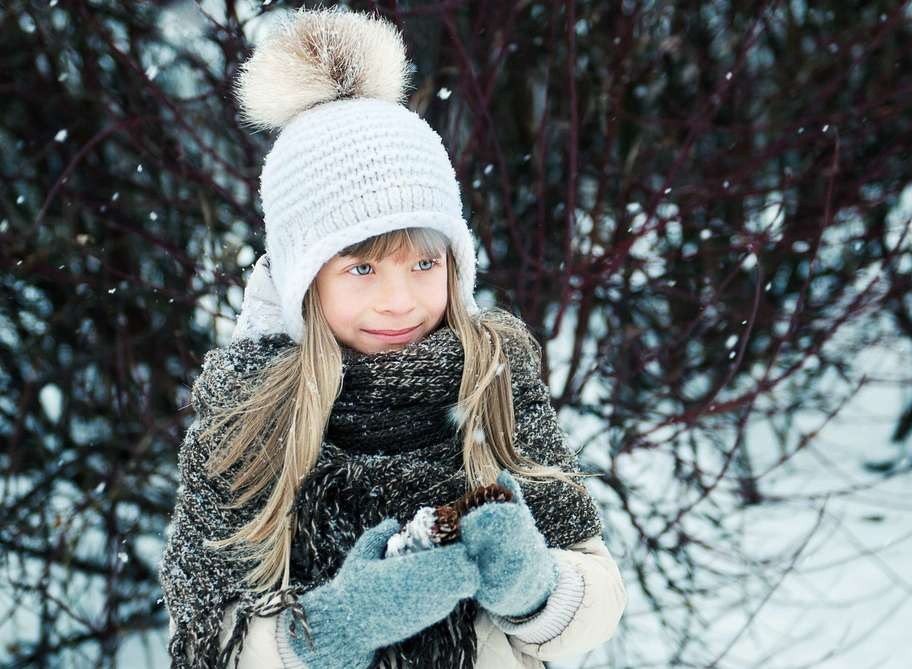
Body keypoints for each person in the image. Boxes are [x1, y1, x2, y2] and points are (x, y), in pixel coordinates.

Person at [158, 7, 626, 669]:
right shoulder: (248, 420)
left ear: (455, 264)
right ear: (305, 279)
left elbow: (598, 594)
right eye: (362, 267)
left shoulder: (494, 385)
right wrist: (326, 630)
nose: (399, 299)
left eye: (423, 263)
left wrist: (537, 589)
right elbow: (204, 640)